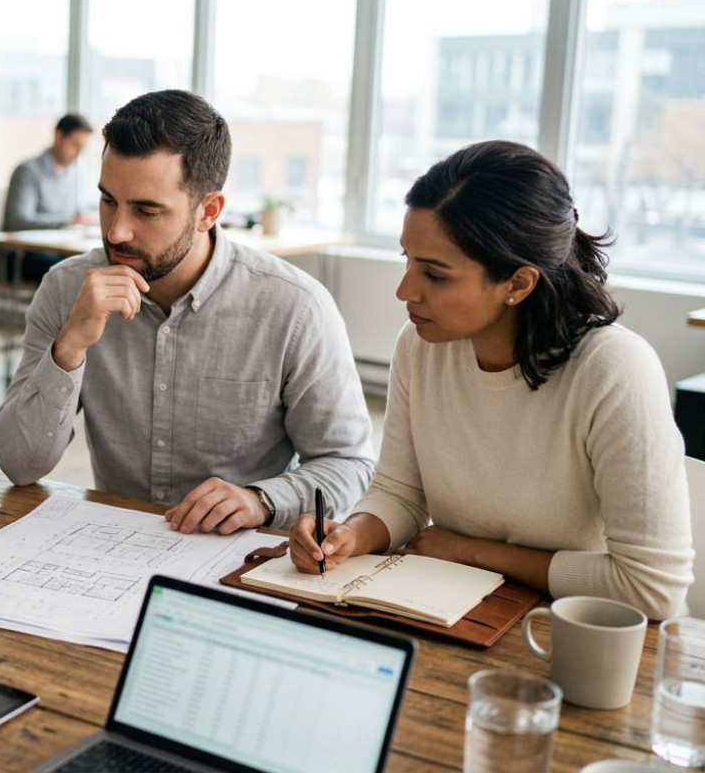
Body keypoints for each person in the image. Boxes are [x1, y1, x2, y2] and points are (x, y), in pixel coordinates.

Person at [289, 140, 692, 620]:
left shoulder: (613, 369)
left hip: (580, 630)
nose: (404, 290)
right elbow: (400, 492)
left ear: (518, 284)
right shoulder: (420, 347)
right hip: (456, 608)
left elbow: (652, 589)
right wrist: (352, 534)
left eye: (435, 275)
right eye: (408, 260)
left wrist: (472, 551)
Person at [0, 90, 374, 532]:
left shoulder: (295, 308)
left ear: (208, 211)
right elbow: (20, 466)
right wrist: (70, 346)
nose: (116, 232)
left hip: (235, 557)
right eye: (107, 200)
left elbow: (349, 465)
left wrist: (262, 501)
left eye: (146, 210)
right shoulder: (66, 289)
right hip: (113, 549)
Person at [3, 113, 97, 282]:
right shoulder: (27, 172)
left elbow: (80, 208)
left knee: (92, 264)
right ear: (59, 136)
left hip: (59, 250)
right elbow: (17, 221)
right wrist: (68, 220)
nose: (78, 154)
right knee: (77, 271)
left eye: (83, 148)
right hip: (26, 256)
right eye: (75, 145)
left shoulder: (73, 174)